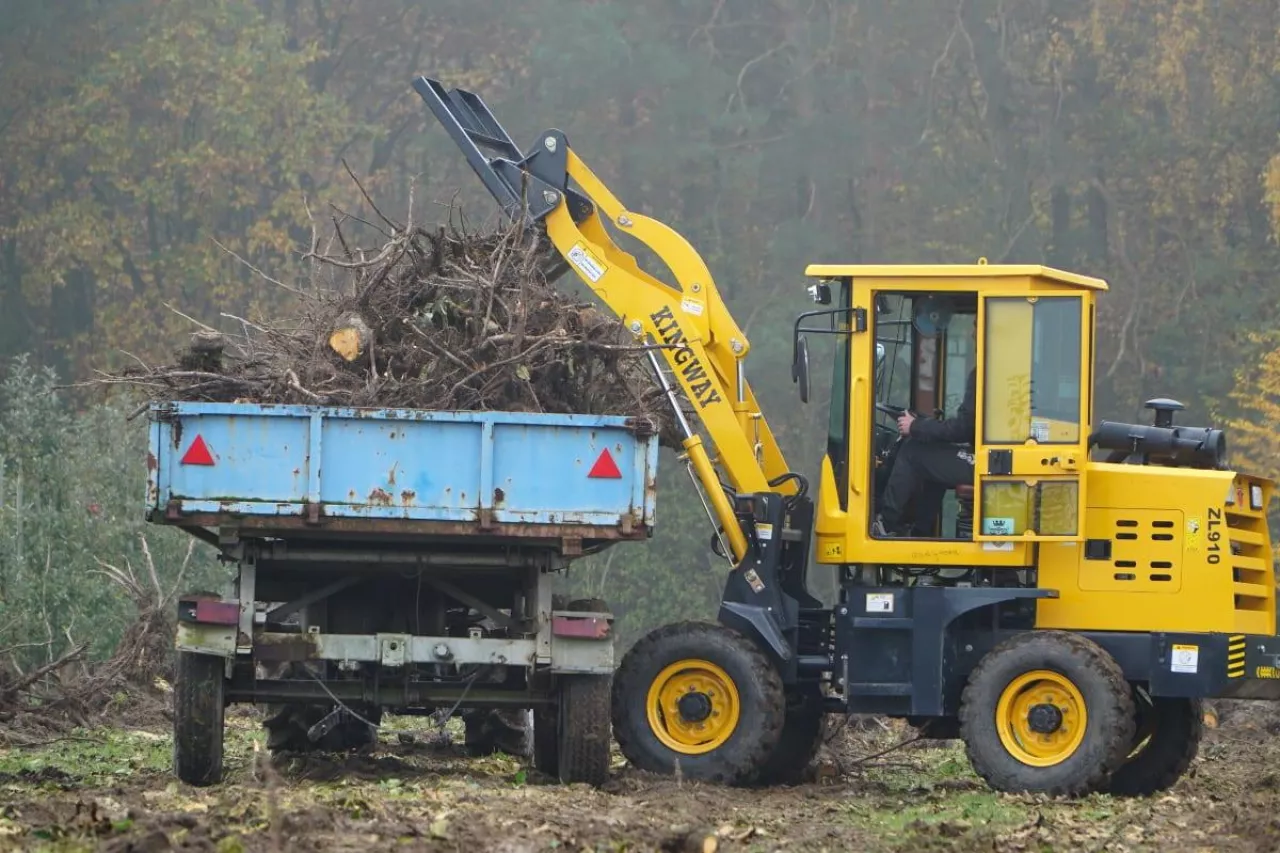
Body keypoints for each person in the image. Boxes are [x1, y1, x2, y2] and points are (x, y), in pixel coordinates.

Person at [874, 365, 976, 538]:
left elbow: (963, 428)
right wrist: (924, 427)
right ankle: (920, 531)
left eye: (975, 337)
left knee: (913, 451)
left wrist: (916, 426)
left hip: (990, 462)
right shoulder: (994, 373)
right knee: (934, 457)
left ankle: (885, 524)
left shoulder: (984, 373)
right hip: (991, 457)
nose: (974, 339)